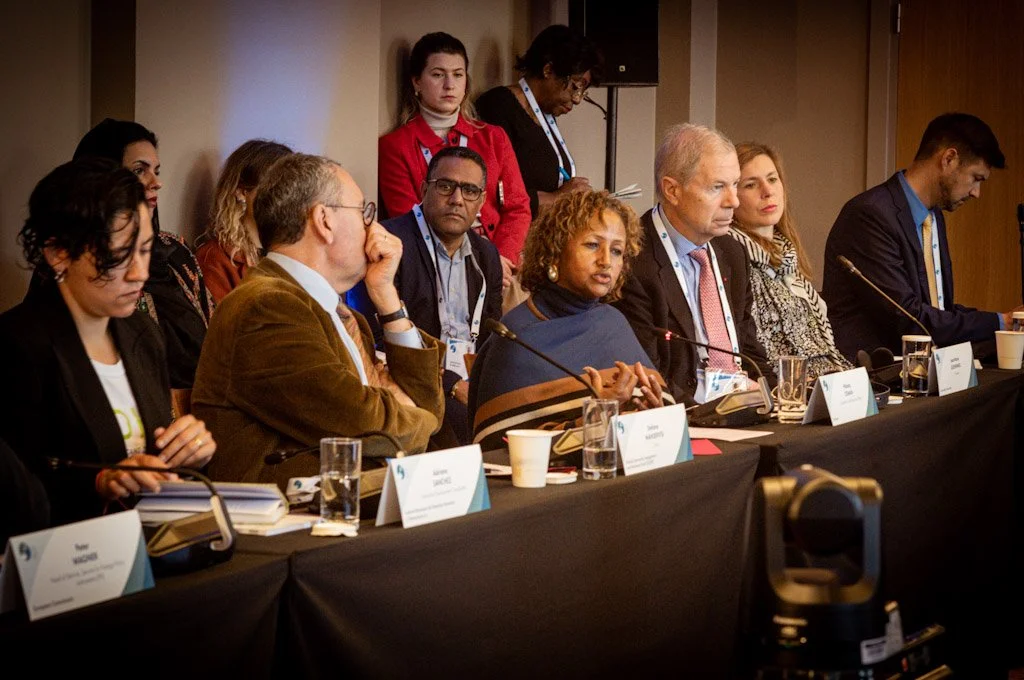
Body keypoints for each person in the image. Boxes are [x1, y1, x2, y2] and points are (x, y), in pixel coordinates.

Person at [192, 153, 445, 488]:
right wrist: (419, 417)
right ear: (324, 220)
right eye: (364, 212)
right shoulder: (266, 305)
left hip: (352, 499)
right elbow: (360, 420)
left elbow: (426, 404)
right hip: (292, 513)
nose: (374, 228)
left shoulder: (341, 315)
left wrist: (387, 298)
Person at [0, 158, 216, 526]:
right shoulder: (19, 347)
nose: (139, 273)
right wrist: (99, 484)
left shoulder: (142, 333)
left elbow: (153, 465)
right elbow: (18, 492)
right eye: (118, 256)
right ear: (58, 254)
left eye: (145, 251)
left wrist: (189, 453)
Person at [469, 190, 668, 451]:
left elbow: (655, 423)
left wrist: (654, 416)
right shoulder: (515, 338)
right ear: (554, 252)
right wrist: (597, 415)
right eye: (592, 245)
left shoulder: (613, 322)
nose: (606, 261)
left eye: (617, 251)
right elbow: (501, 449)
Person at [822, 112, 1019, 359]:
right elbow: (909, 318)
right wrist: (1001, 321)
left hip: (921, 369)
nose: (976, 192)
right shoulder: (870, 215)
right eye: (976, 178)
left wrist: (1005, 321)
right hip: (874, 373)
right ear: (949, 159)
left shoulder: (933, 217)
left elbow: (939, 311)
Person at [351, 147, 503, 448]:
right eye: (446, 186)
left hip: (469, 388)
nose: (457, 199)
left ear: (482, 201)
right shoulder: (389, 244)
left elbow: (491, 334)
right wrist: (450, 385)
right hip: (409, 388)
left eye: (470, 191)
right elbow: (375, 340)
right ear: (424, 189)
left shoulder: (486, 254)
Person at [614, 123, 771, 405]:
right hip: (685, 413)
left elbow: (749, 351)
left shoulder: (732, 252)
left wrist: (780, 396)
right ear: (672, 190)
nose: (733, 201)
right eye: (717, 187)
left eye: (735, 184)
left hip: (741, 406)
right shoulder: (632, 260)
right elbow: (649, 376)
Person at [378, 32, 529, 294]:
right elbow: (409, 221)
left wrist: (499, 258)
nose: (450, 85)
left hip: (500, 266)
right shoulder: (395, 145)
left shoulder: (493, 137)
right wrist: (477, 263)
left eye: (458, 75)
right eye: (438, 75)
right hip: (434, 268)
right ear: (416, 82)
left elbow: (518, 207)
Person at [73, 118, 215, 388]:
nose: (156, 182)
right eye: (140, 170)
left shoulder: (175, 252)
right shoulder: (78, 261)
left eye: (156, 171)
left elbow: (215, 336)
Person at [728, 142, 851, 379]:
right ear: (731, 196)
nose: (767, 191)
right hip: (782, 390)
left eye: (772, 179)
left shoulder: (787, 260)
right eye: (751, 185)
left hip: (827, 385)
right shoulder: (734, 263)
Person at [476, 24, 603, 220]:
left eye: (582, 92)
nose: (577, 99)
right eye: (575, 86)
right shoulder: (497, 106)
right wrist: (557, 199)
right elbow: (494, 192)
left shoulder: (545, 114)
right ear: (548, 70)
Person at [195, 139, 293, 303]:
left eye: (290, 188)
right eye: (275, 187)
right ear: (241, 192)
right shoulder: (214, 260)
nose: (287, 198)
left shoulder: (295, 252)